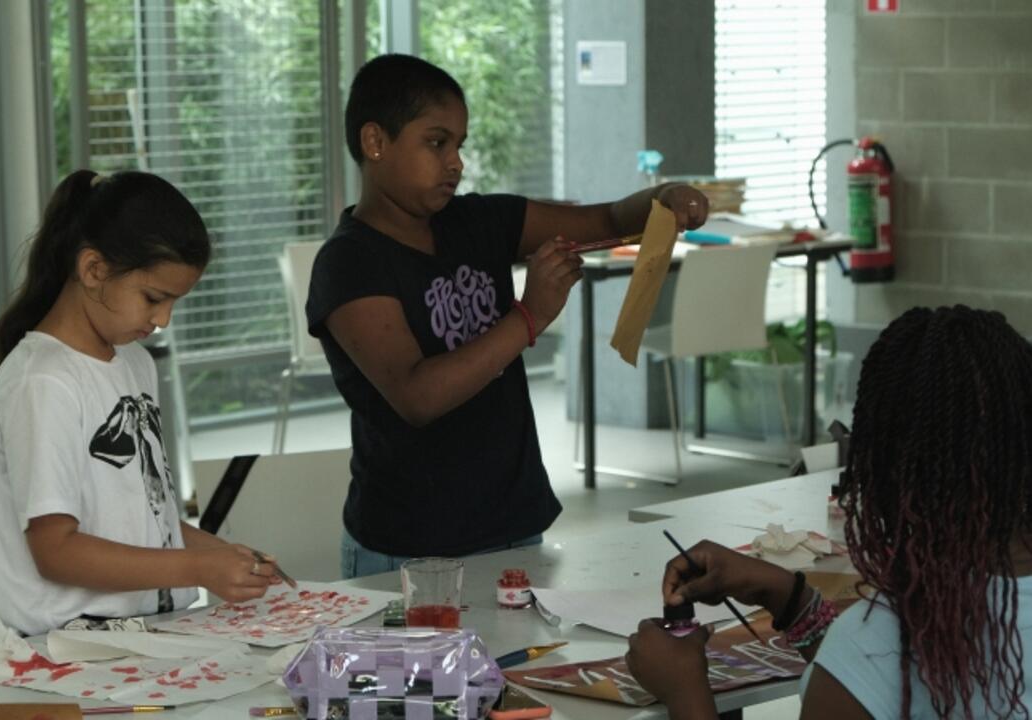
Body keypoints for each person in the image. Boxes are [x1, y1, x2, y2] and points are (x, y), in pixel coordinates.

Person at [305, 53, 709, 578]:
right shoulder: (349, 262)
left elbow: (606, 219)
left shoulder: (479, 221)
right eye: (436, 142)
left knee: (518, 664)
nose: (456, 162)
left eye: (459, 145)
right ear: (375, 142)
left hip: (514, 527)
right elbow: (418, 395)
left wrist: (662, 200)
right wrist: (529, 315)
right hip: (411, 548)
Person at [626, 305, 1032, 719]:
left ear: (880, 466)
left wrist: (684, 689)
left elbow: (871, 671)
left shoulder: (880, 640)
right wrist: (793, 601)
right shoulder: (882, 644)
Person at [0, 170, 285, 636]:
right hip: (61, 653)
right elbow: (55, 550)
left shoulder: (135, 363)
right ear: (94, 270)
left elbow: (149, 520)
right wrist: (197, 568)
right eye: (154, 298)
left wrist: (227, 556)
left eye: (174, 302)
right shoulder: (42, 383)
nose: (163, 319)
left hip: (147, 639)